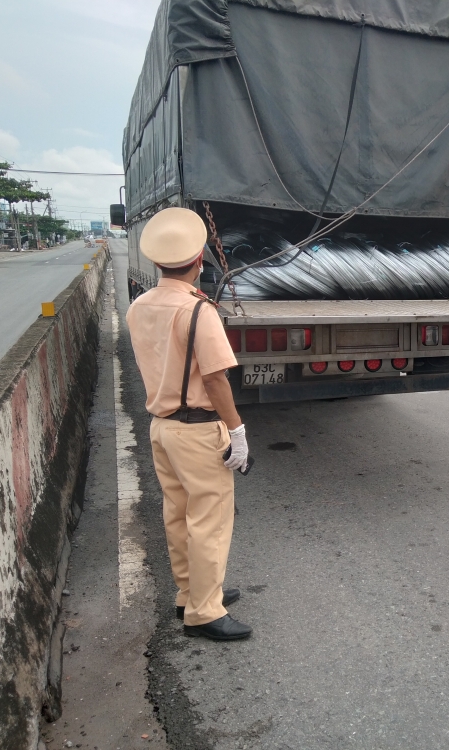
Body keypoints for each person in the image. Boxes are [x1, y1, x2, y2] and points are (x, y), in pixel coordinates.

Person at [126, 207, 253, 640]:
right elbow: (215, 378)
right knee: (210, 521)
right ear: (200, 258)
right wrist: (236, 432)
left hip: (161, 427)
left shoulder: (139, 306)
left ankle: (191, 593)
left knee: (178, 516)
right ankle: (204, 611)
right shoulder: (200, 312)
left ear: (158, 262)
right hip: (198, 431)